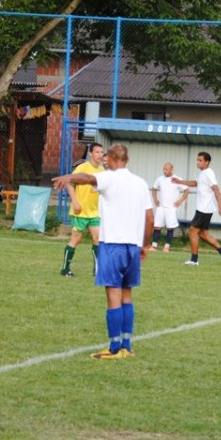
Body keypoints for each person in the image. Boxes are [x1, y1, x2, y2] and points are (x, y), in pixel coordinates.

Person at [53, 143, 154, 359]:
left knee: (113, 296)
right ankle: (127, 345)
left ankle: (114, 348)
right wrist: (145, 245)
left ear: (111, 159)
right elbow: (150, 218)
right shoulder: (140, 183)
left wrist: (69, 177)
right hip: (133, 246)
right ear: (127, 159)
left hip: (112, 245)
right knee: (127, 295)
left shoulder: (109, 177)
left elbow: (87, 178)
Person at [173, 151, 221, 266]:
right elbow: (195, 183)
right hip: (205, 209)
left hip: (204, 209)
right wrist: (180, 181)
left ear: (207, 162)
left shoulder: (209, 173)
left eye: (200, 160)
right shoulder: (202, 173)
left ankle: (194, 260)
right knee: (202, 234)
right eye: (197, 160)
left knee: (192, 231)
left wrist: (220, 206)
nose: (198, 162)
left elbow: (216, 189)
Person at [60, 142, 105, 277]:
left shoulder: (102, 171)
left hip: (94, 212)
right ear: (90, 153)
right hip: (80, 211)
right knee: (76, 239)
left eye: (101, 152)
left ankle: (97, 270)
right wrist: (74, 201)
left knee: (97, 239)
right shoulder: (82, 167)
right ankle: (65, 269)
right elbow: (69, 182)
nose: (100, 155)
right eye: (97, 152)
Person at [150, 162, 189, 252]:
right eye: (164, 169)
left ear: (172, 169)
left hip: (171, 208)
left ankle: (167, 247)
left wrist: (180, 201)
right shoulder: (159, 179)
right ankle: (154, 246)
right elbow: (154, 188)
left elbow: (186, 190)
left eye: (167, 169)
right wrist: (155, 199)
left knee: (170, 227)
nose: (165, 171)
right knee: (157, 226)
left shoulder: (177, 179)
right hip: (161, 207)